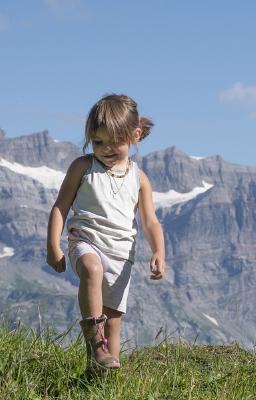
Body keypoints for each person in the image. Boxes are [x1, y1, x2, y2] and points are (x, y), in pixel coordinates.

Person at [46, 93, 166, 373]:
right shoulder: (83, 167)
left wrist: (159, 251)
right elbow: (60, 206)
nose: (106, 149)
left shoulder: (139, 179)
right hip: (86, 242)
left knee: (113, 323)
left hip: (122, 255)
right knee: (91, 268)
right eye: (98, 142)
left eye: (116, 143)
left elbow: (150, 222)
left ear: (135, 136)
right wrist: (54, 245)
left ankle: (103, 379)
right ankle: (93, 339)